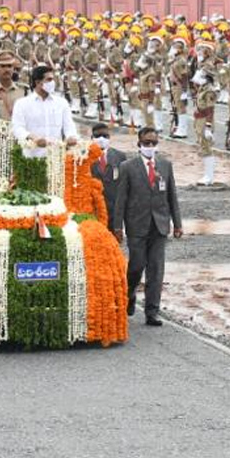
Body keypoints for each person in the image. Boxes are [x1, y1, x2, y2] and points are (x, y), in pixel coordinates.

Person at [113, 127, 183, 327]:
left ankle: (152, 312)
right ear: (139, 144)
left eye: (153, 143)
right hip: (137, 225)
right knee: (136, 266)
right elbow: (121, 200)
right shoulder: (128, 167)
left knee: (156, 269)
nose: (150, 147)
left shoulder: (165, 165)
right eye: (146, 143)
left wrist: (177, 224)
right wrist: (118, 226)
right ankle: (129, 294)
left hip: (160, 225)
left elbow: (172, 197)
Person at [11, 65, 80, 157]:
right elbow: (17, 128)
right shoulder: (22, 104)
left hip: (56, 158)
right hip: (32, 157)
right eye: (49, 80)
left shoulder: (61, 103)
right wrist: (33, 137)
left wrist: (71, 136)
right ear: (38, 82)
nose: (53, 83)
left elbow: (69, 125)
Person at [90, 122, 127, 228]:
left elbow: (124, 183)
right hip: (93, 209)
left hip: (113, 211)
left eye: (105, 136)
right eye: (98, 136)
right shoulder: (83, 156)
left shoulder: (120, 156)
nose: (101, 139)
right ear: (92, 137)